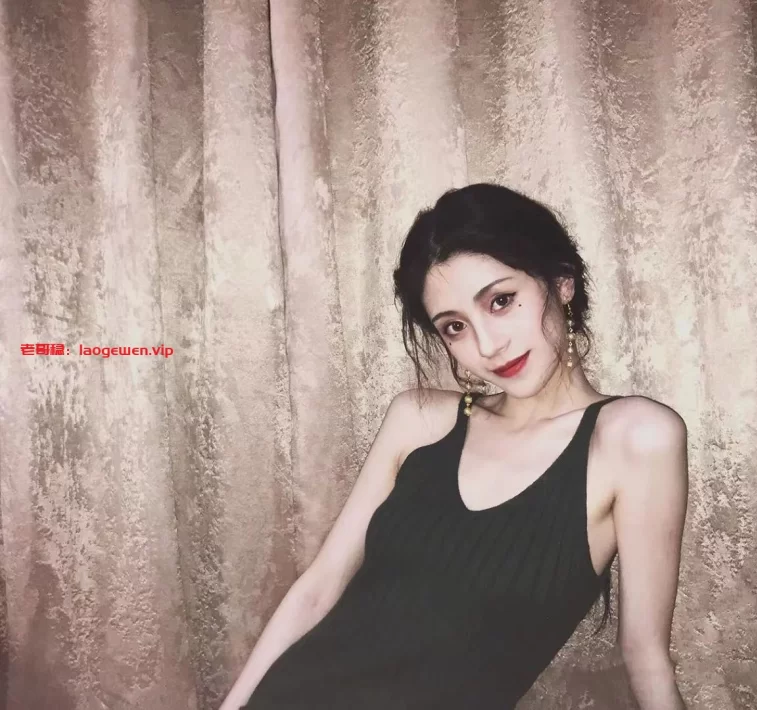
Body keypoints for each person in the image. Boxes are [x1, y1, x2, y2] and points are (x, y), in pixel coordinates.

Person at [220, 183, 689, 709]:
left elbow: (645, 655)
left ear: (561, 283)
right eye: (455, 327)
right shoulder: (419, 420)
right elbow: (319, 588)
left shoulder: (635, 438)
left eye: (501, 301)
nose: (488, 345)